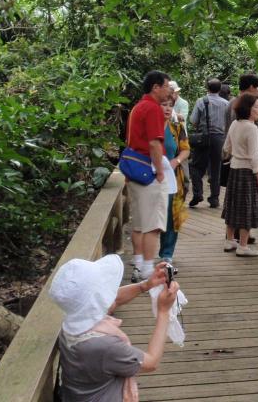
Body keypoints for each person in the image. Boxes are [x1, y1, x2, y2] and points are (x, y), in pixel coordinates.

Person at [49, 254, 178, 402]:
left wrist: (146, 285)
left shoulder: (70, 324)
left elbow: (114, 299)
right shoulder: (104, 346)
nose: (110, 292)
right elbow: (151, 362)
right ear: (96, 302)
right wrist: (164, 312)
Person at [126, 71, 170, 283]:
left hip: (134, 170)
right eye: (166, 86)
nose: (168, 90)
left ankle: (139, 265)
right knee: (153, 225)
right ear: (156, 87)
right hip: (148, 172)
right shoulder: (153, 109)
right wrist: (160, 172)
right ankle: (147, 271)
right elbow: (154, 143)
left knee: (139, 223)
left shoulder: (137, 107)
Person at [222, 93, 258, 257]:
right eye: (256, 106)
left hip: (234, 169)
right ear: (248, 109)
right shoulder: (251, 127)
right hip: (247, 171)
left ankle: (229, 240)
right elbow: (254, 155)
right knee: (246, 208)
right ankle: (243, 245)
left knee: (233, 205)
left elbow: (226, 147)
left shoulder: (235, 123)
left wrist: (235, 153)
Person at [158, 92, 190, 266]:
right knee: (154, 215)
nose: (168, 108)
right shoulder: (149, 126)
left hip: (173, 178)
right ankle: (143, 257)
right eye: (164, 104)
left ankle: (167, 253)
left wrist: (176, 161)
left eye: (170, 105)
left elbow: (185, 149)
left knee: (172, 215)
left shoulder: (176, 127)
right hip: (151, 178)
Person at [188, 78, 229, 208]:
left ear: (207, 88)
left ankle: (198, 193)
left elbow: (193, 121)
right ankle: (214, 199)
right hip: (219, 139)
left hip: (203, 138)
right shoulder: (226, 104)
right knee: (216, 168)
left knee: (195, 166)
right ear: (219, 89)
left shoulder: (201, 101)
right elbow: (229, 123)